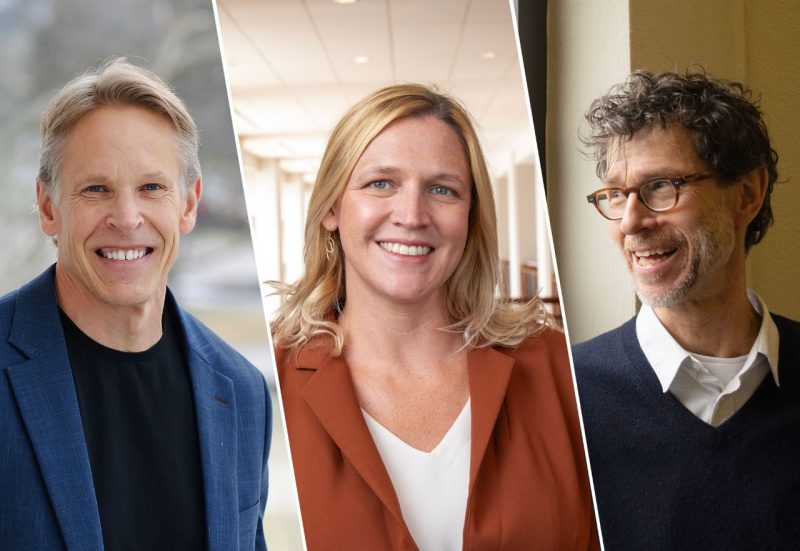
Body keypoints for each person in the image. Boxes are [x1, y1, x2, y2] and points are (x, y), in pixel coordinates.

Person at [272, 83, 597, 550]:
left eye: (442, 190)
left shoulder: (554, 369)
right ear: (331, 208)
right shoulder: (272, 383)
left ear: (470, 217)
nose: (411, 215)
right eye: (380, 183)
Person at [0, 59, 270, 550]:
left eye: (151, 188)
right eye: (96, 189)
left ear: (188, 204)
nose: (126, 218)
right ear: (47, 206)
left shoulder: (244, 392)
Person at [574, 69, 800, 550]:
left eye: (660, 186)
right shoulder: (567, 396)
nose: (631, 222)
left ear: (747, 195)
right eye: (615, 194)